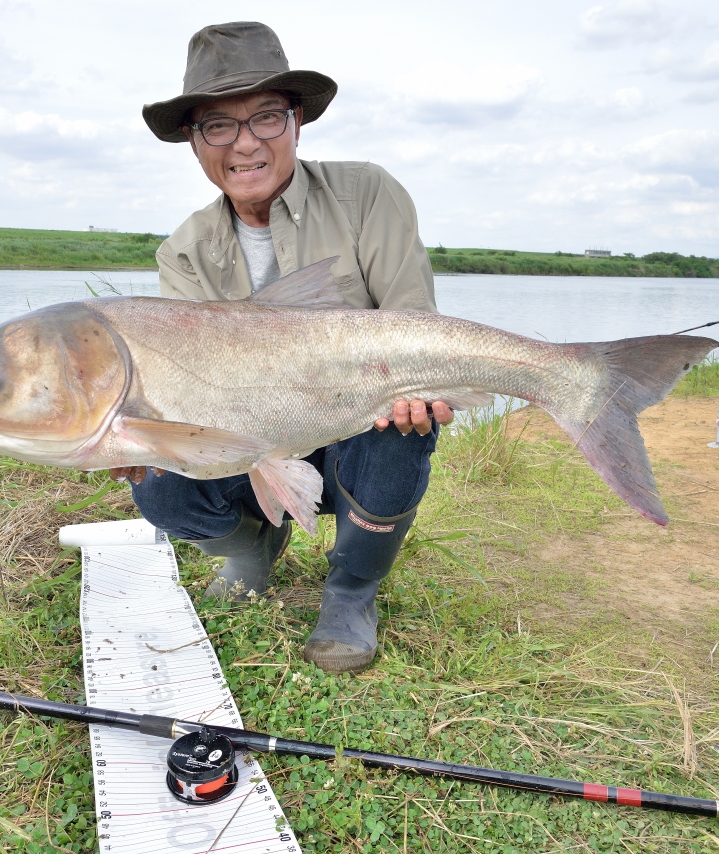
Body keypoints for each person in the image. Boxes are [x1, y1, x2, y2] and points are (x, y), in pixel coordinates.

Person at [112, 21, 454, 674]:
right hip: (251, 438)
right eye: (218, 125)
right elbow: (185, 385)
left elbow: (414, 327)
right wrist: (141, 433)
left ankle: (351, 591)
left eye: (266, 116)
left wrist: (418, 389)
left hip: (355, 426)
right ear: (194, 142)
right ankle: (252, 550)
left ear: (296, 121)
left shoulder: (367, 194)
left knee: (400, 426)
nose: (245, 143)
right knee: (157, 478)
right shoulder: (183, 251)